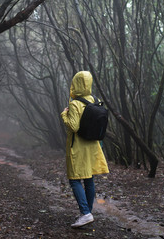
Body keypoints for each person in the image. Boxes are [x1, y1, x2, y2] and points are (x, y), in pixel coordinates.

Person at [60, 71, 109, 228]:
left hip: (78, 148)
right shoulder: (96, 100)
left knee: (74, 180)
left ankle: (86, 213)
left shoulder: (75, 104)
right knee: (89, 179)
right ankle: (87, 212)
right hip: (93, 147)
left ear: (76, 83)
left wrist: (64, 115)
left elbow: (73, 126)